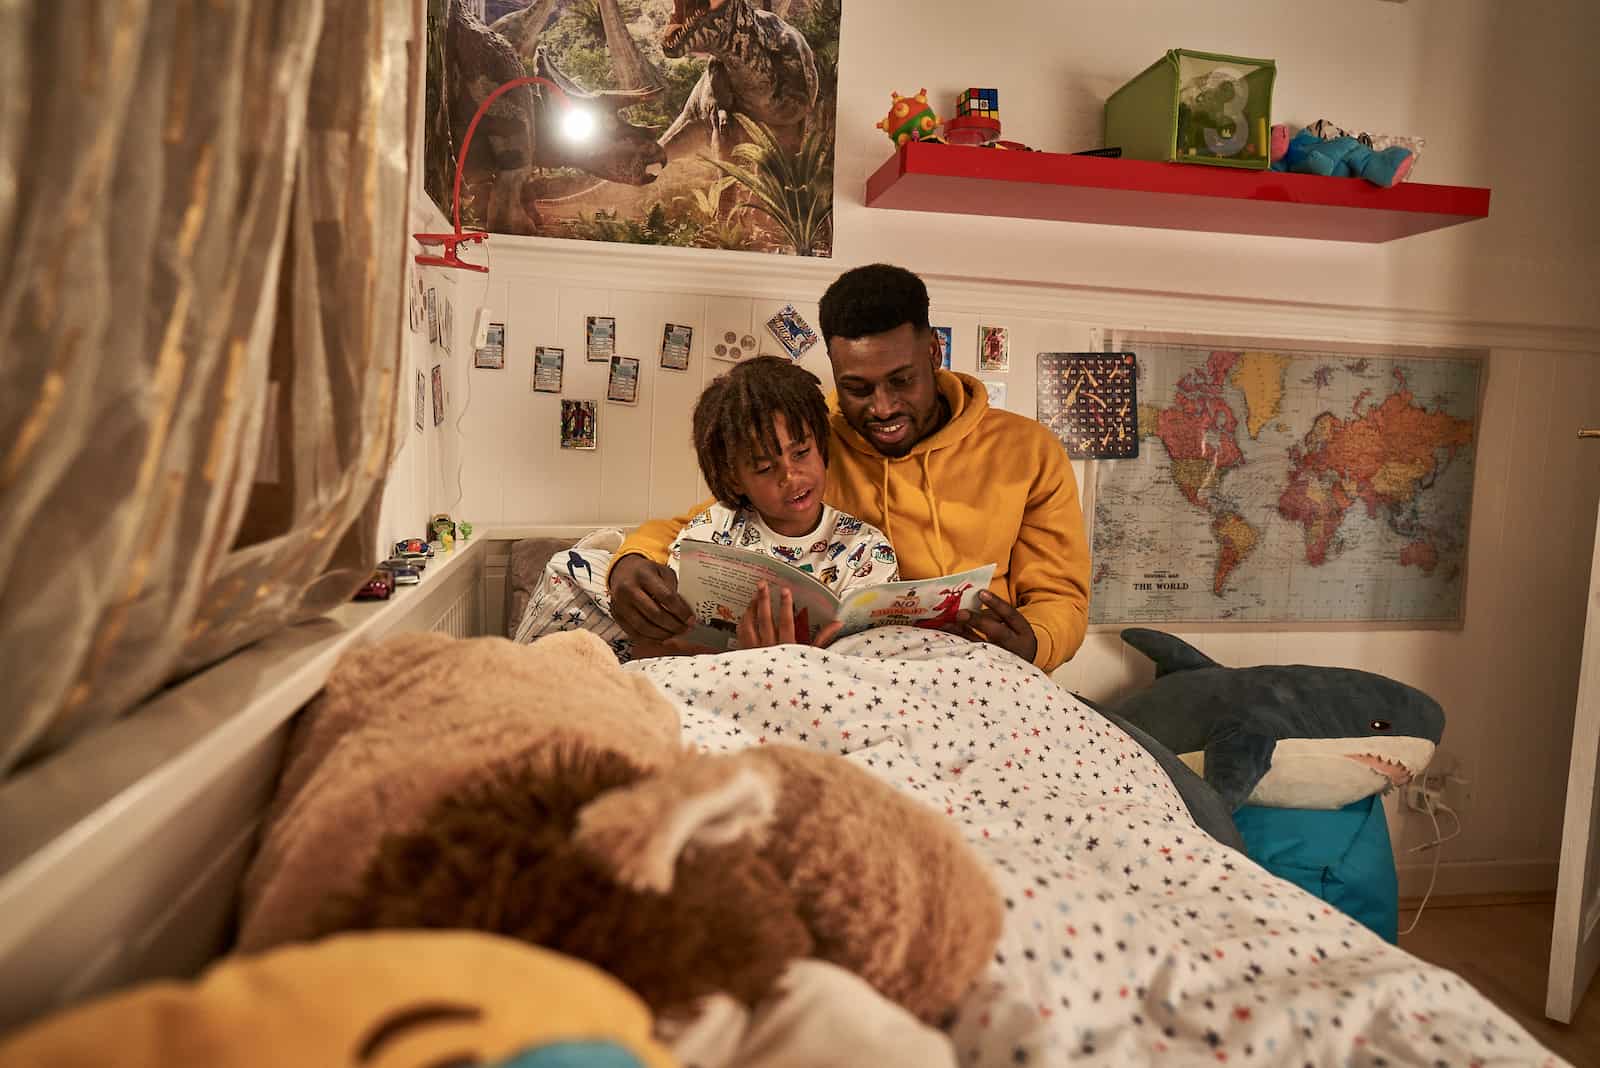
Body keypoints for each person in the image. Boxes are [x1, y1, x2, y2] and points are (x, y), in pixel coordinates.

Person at [610, 263, 1090, 671]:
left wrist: (1034, 643)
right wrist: (629, 565)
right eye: (857, 388)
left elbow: (1060, 597)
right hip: (853, 680)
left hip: (985, 672)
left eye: (901, 381)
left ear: (933, 353)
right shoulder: (811, 443)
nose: (882, 407)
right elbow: (712, 521)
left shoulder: (1029, 451)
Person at [659, 355, 898, 652]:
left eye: (801, 453)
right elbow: (671, 640)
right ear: (735, 479)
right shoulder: (709, 535)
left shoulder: (866, 549)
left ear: (820, 444)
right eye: (764, 468)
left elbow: (872, 653)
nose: (790, 476)